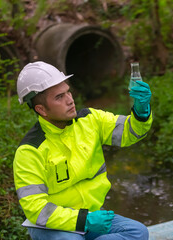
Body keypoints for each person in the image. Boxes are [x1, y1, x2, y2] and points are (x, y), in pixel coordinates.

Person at [13, 61, 153, 240]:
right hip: (52, 227)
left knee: (138, 233)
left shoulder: (90, 120)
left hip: (93, 216)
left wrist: (141, 112)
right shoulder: (29, 151)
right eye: (59, 97)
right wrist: (83, 220)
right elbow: (36, 209)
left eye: (68, 92)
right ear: (41, 109)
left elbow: (129, 132)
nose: (70, 100)